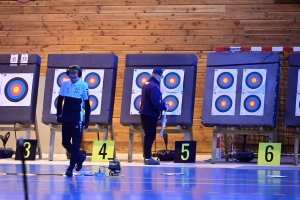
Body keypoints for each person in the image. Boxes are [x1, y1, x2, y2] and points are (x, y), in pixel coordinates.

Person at [56, 65, 91, 177]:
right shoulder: (65, 83)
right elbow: (60, 99)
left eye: (75, 77)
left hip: (77, 117)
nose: (73, 79)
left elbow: (86, 104)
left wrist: (87, 120)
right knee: (65, 142)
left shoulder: (83, 85)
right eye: (71, 77)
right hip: (66, 116)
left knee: (76, 144)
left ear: (79, 75)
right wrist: (58, 113)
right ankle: (80, 157)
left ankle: (71, 168)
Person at [139, 68, 168, 165]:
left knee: (148, 136)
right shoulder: (154, 86)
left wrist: (162, 103)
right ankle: (147, 158)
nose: (161, 78)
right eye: (161, 76)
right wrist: (164, 107)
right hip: (150, 115)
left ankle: (147, 157)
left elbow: (151, 99)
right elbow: (155, 102)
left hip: (145, 114)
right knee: (150, 137)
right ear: (156, 75)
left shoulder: (147, 84)